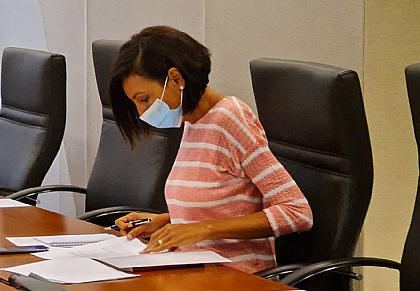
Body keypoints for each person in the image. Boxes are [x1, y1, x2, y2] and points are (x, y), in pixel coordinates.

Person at [109, 26, 312, 273]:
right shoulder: (192, 121)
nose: (142, 113)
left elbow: (297, 212)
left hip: (235, 282)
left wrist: (199, 229)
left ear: (176, 79)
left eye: (144, 99)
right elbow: (225, 205)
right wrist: (164, 222)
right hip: (192, 272)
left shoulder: (230, 120)